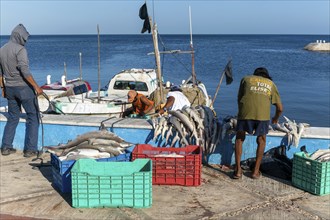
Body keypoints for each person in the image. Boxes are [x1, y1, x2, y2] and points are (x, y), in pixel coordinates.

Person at [0, 24, 43, 157]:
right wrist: (37, 87)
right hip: (24, 89)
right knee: (33, 116)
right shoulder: (20, 50)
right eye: (24, 38)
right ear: (19, 36)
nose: (25, 41)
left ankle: (6, 147)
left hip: (10, 89)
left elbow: (0, 73)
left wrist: (3, 89)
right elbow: (24, 71)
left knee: (13, 117)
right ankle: (30, 150)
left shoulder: (2, 49)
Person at [233, 67, 283, 179]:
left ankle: (237, 171)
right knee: (261, 140)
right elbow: (280, 108)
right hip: (262, 117)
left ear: (255, 74)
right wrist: (275, 118)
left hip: (245, 114)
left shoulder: (245, 79)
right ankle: (255, 172)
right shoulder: (271, 84)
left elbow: (239, 98)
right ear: (266, 76)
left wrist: (242, 113)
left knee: (239, 138)